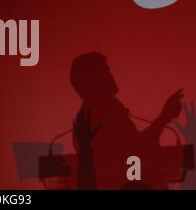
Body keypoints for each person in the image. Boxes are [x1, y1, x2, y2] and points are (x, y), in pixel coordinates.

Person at [69, 52, 183, 189]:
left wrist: (164, 118)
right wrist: (164, 117)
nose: (111, 77)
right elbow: (138, 151)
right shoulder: (104, 113)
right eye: (105, 72)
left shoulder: (87, 116)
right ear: (95, 82)